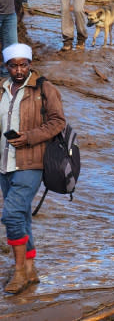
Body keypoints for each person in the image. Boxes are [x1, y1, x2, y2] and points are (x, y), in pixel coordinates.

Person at [0, 43, 67, 294]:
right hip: (4, 164)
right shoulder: (1, 89)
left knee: (11, 215)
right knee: (23, 215)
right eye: (13, 65)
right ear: (6, 66)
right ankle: (29, 269)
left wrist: (28, 137)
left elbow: (58, 122)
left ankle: (18, 273)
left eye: (23, 64)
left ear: (30, 64)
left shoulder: (44, 89)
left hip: (32, 162)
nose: (18, 70)